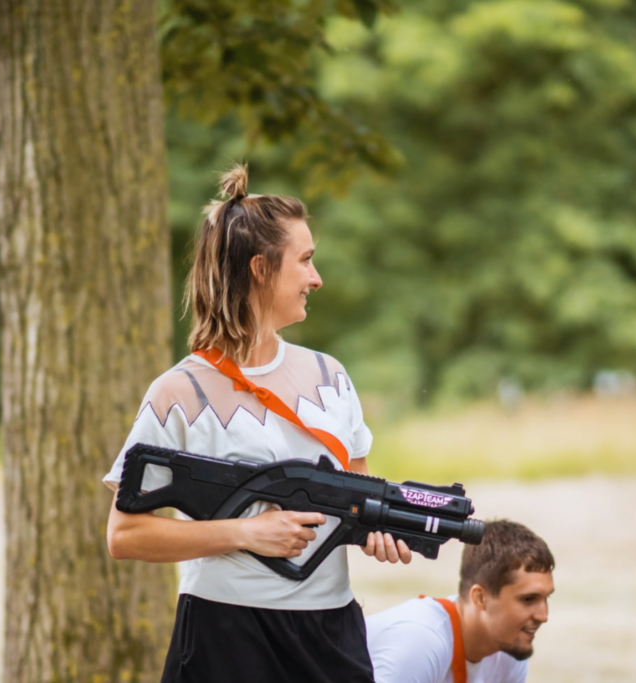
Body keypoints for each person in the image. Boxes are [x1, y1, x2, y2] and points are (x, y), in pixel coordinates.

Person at [103, 164, 411, 683]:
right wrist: (246, 532)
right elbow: (125, 535)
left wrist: (377, 531)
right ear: (261, 269)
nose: (317, 278)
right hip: (225, 633)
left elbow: (354, 498)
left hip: (330, 631)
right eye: (305, 261)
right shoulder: (179, 393)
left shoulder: (330, 377)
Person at [365, 520, 555, 683]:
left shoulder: (509, 650)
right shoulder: (420, 644)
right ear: (480, 598)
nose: (543, 616)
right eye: (528, 599)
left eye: (546, 598)